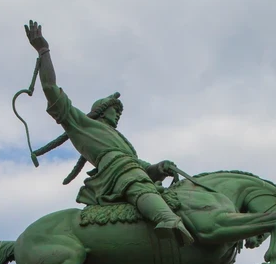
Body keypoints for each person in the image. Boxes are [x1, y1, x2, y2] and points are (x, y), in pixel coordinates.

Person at [24, 20, 194, 246]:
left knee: (160, 190)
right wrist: (43, 51)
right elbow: (51, 89)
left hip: (130, 169)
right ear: (103, 111)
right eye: (115, 112)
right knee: (136, 182)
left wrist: (157, 168)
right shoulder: (82, 124)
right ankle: (167, 220)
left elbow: (137, 165)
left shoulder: (121, 141)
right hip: (117, 174)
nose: (117, 117)